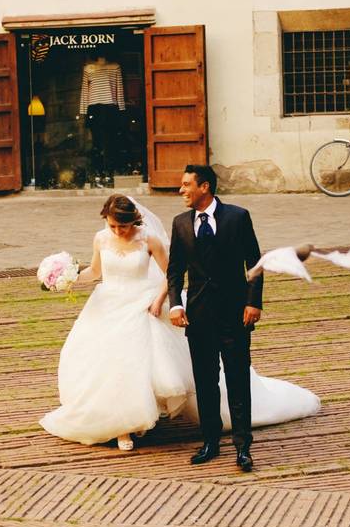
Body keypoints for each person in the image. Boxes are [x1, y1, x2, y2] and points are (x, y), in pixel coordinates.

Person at [40, 192, 320, 462]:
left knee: (134, 362)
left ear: (134, 221)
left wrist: (159, 299)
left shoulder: (149, 240)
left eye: (123, 226)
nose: (118, 232)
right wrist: (70, 277)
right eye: (113, 226)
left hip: (142, 301)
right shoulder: (101, 239)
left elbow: (171, 274)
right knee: (108, 363)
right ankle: (120, 426)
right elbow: (96, 272)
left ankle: (139, 419)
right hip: (108, 304)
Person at [167, 164, 262, 471]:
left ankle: (242, 446)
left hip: (234, 313)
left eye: (185, 185)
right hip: (198, 314)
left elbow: (255, 262)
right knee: (205, 382)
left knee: (237, 379)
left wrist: (253, 302)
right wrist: (175, 305)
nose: (181, 191)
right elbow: (174, 271)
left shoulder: (237, 217)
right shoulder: (181, 223)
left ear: (204, 187)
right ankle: (210, 442)